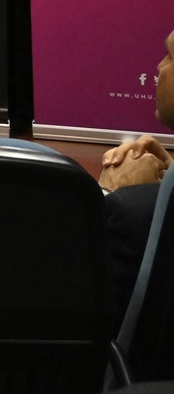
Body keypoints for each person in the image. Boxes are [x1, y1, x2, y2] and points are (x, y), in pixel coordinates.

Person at [98, 27, 174, 326]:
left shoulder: (128, 213)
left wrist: (111, 195)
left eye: (169, 56)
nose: (159, 67)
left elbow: (74, 300)